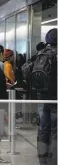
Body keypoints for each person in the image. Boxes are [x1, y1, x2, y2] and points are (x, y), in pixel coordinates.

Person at [36, 28, 57, 165]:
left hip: (43, 97)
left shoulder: (41, 54)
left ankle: (42, 159)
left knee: (43, 128)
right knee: (55, 131)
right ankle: (54, 159)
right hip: (56, 98)